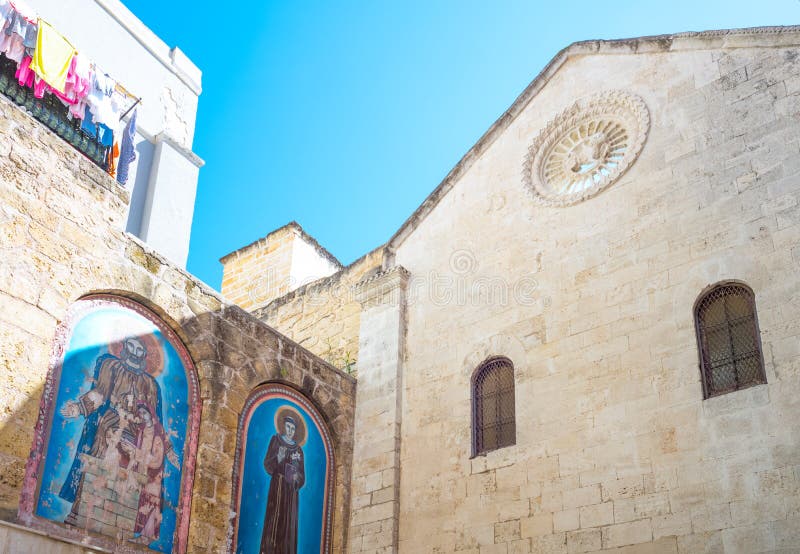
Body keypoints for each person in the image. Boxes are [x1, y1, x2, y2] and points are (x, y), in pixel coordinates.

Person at [58, 336, 177, 528]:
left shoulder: (151, 384)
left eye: (139, 349)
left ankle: (119, 521)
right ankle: (79, 511)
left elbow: (154, 420)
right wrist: (79, 407)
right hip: (110, 425)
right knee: (98, 463)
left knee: (132, 473)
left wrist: (168, 448)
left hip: (137, 434)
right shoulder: (111, 365)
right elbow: (100, 392)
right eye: (131, 346)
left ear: (144, 355)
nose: (134, 352)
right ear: (124, 346)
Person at [260, 414, 305, 554]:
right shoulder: (276, 441)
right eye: (288, 427)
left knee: (288, 525)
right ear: (283, 426)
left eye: (293, 428)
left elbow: (302, 476)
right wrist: (278, 458)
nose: (290, 431)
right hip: (278, 487)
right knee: (274, 520)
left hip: (291, 493)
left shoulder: (298, 450)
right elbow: (267, 464)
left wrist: (297, 476)